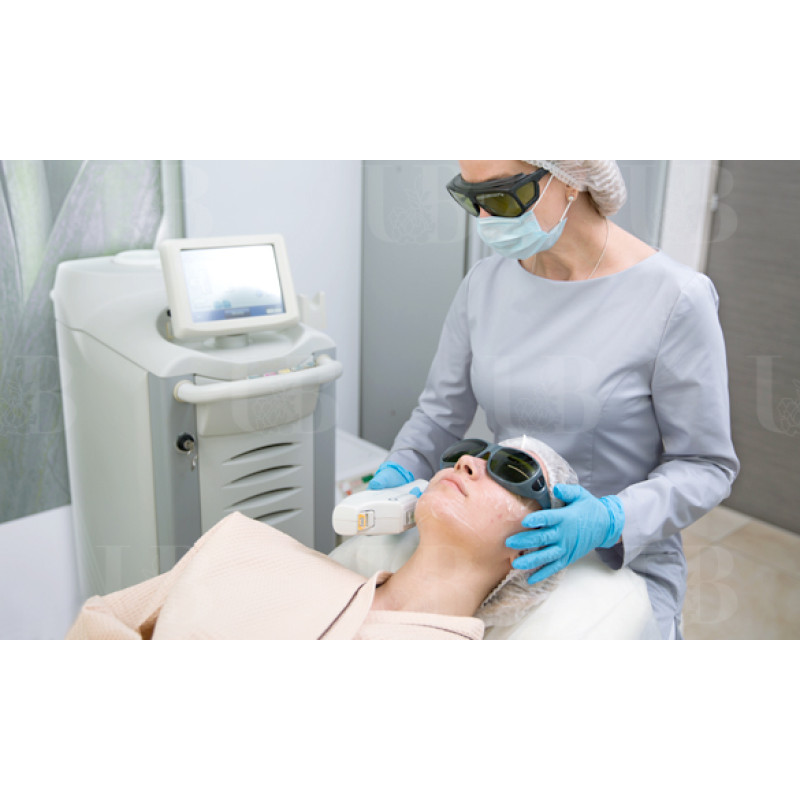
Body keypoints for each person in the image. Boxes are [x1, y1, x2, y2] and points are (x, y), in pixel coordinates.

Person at [367, 160, 739, 640]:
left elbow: (706, 466)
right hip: (504, 546)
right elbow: (439, 416)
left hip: (618, 555)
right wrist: (399, 469)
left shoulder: (675, 298)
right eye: (471, 199)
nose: (485, 219)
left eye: (501, 196)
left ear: (568, 178)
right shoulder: (485, 284)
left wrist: (610, 520)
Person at [65, 436, 576, 640]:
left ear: (535, 546)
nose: (466, 461)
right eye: (470, 450)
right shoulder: (247, 545)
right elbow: (99, 620)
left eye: (514, 470)